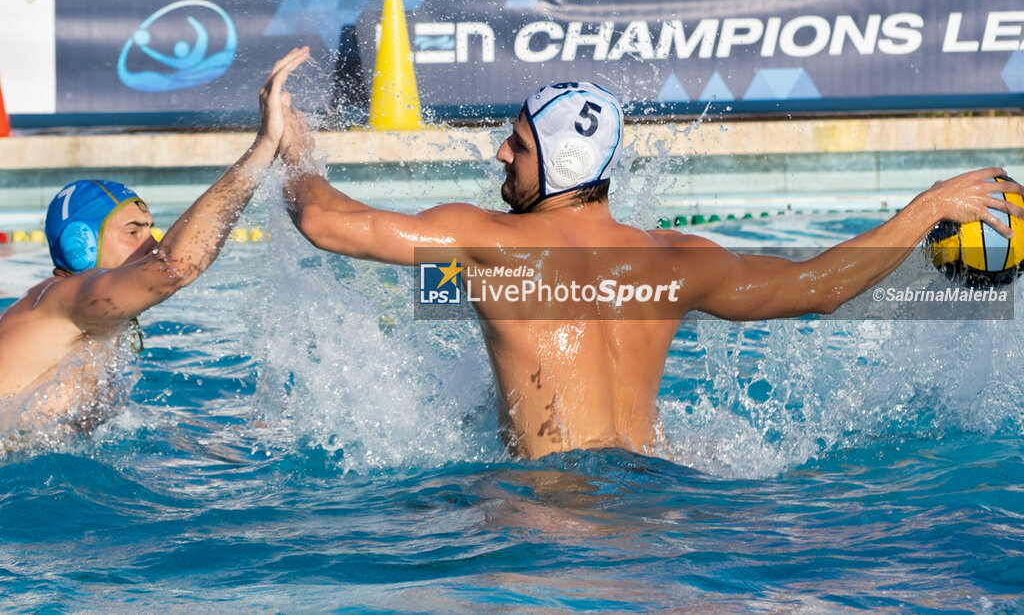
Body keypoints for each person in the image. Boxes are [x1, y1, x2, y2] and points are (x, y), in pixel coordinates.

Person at [279, 76, 1024, 460]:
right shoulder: (674, 260)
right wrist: (928, 207)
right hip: (657, 497)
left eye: (518, 144)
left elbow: (321, 220)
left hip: (544, 514)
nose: (498, 154)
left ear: (563, 161)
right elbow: (823, 287)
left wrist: (294, 148)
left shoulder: (483, 241)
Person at [0, 47, 311, 447]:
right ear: (81, 244)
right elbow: (176, 267)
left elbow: (121, 424)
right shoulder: (69, 297)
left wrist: (231, 441)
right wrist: (264, 147)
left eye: (150, 229)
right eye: (133, 230)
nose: (151, 243)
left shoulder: (90, 324)